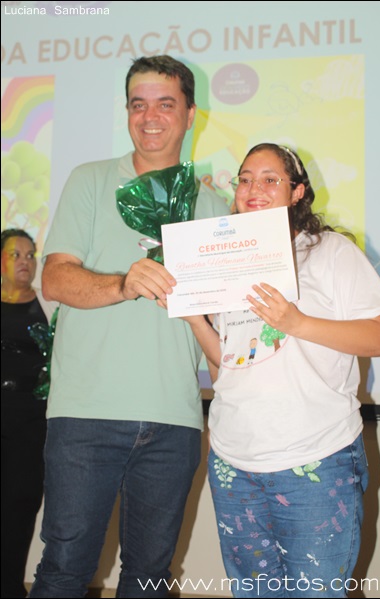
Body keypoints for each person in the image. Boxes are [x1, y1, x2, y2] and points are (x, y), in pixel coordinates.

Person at [28, 55, 229, 598]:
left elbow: (223, 328)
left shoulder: (214, 206)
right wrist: (124, 283)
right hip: (85, 415)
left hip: (174, 419)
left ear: (191, 114)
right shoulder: (90, 180)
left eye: (165, 104)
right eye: (138, 105)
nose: (150, 117)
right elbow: (55, 279)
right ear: (127, 113)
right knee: (64, 570)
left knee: (149, 579)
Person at [171, 143, 380, 598]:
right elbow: (227, 370)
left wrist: (296, 322)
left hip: (316, 458)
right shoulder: (227, 264)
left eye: (270, 179)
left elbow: (378, 339)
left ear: (297, 192)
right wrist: (195, 319)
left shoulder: (331, 251)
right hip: (234, 462)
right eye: (245, 179)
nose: (253, 188)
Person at [1, 228, 58, 599]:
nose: (25, 262)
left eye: (30, 255)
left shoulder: (49, 305)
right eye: (15, 254)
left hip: (30, 426)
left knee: (19, 511)